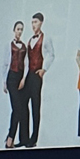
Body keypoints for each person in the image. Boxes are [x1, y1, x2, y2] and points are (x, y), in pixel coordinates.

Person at [25, 12, 51, 147]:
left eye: (35, 22)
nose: (33, 25)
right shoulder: (30, 40)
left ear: (41, 23)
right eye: (32, 22)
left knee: (35, 105)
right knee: (24, 104)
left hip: (36, 75)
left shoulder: (45, 39)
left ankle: (34, 138)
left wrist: (44, 69)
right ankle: (25, 137)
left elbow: (51, 54)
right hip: (28, 75)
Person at [4, 21, 29, 149]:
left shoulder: (24, 46)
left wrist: (23, 78)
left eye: (21, 29)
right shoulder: (9, 45)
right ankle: (10, 138)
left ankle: (11, 139)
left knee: (19, 109)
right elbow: (6, 63)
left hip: (20, 78)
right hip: (11, 78)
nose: (19, 31)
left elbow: (26, 63)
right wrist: (4, 81)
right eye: (18, 29)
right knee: (17, 108)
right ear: (14, 30)